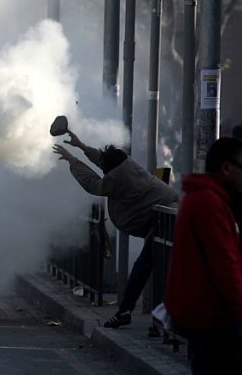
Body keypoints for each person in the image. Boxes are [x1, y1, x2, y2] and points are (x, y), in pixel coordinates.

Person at [53, 131, 179, 328]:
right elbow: (105, 162)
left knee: (144, 267)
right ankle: (158, 322)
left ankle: (129, 313)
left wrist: (72, 160)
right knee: (160, 269)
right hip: (166, 218)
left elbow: (94, 184)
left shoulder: (116, 180)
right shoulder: (127, 166)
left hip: (166, 221)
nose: (104, 169)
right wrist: (82, 146)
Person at [164, 137, 242, 375]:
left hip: (203, 315)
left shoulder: (204, 197)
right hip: (212, 317)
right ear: (227, 168)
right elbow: (224, 265)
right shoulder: (208, 202)